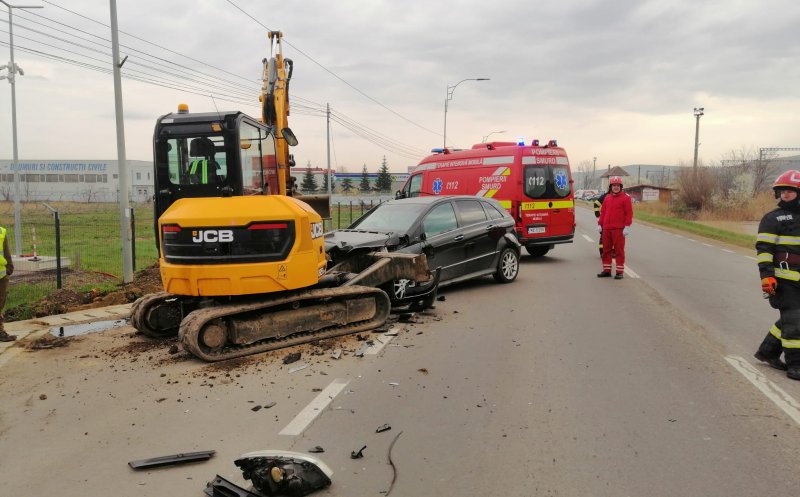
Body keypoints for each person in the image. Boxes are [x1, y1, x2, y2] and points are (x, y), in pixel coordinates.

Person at [754, 170, 800, 378]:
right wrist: (767, 276)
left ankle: (768, 352)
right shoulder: (772, 218)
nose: (785, 194)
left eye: (790, 190)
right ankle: (796, 366)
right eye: (782, 190)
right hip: (783, 279)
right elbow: (764, 250)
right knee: (794, 322)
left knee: (790, 320)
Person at [596, 176, 633, 279]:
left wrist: (627, 226)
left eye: (617, 185)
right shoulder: (607, 198)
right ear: (610, 187)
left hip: (619, 229)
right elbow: (603, 212)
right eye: (613, 185)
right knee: (606, 250)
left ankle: (619, 272)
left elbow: (629, 214)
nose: (615, 187)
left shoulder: (626, 198)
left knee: (619, 251)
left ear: (620, 186)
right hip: (607, 229)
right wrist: (600, 224)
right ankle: (606, 270)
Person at [0, 225, 15, 341]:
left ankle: (0, 332)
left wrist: (9, 265)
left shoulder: (1, 231)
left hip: (1, 274)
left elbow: (5, 250)